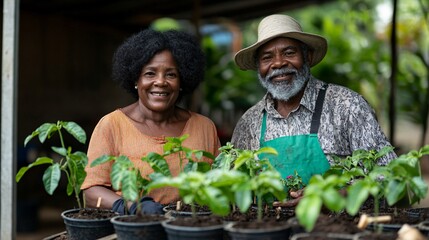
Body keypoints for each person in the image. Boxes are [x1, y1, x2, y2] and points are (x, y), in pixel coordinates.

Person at [231, 14, 397, 205]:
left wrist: (332, 196)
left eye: (289, 53)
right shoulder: (250, 122)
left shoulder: (347, 105)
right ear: (258, 67)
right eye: (267, 57)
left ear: (307, 56)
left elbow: (389, 176)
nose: (278, 64)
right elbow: (237, 187)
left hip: (337, 230)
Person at [81, 29, 221, 215]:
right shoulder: (112, 125)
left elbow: (220, 183)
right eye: (150, 73)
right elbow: (91, 192)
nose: (160, 82)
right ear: (136, 80)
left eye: (171, 74)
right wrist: (132, 207)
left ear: (182, 81)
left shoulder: (204, 127)